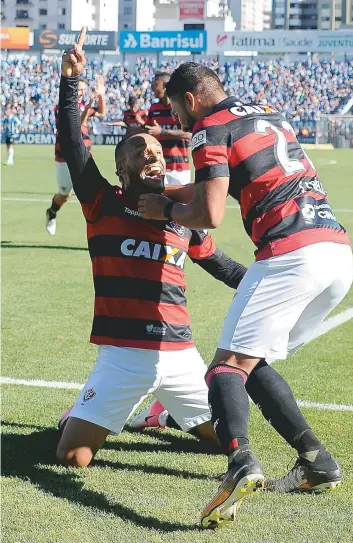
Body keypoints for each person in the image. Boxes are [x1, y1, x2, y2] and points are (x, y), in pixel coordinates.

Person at [138, 62, 353, 529]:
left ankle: (239, 461)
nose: (176, 120)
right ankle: (316, 463)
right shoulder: (267, 112)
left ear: (190, 99)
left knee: (224, 368)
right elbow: (222, 183)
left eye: (176, 109)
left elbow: (209, 213)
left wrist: (164, 207)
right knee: (250, 363)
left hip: (290, 253)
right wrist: (166, 187)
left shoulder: (208, 126)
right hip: (336, 252)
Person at [55, 33, 247, 509]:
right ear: (120, 169)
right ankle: (83, 414)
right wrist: (70, 84)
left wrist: (270, 282)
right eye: (140, 152)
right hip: (123, 356)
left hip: (181, 356)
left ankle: (161, 414)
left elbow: (221, 265)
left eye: (158, 153)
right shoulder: (103, 203)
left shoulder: (181, 215)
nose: (153, 156)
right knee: (72, 457)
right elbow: (74, 144)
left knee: (222, 443)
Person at [45, 75, 106, 236]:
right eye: (78, 89)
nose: (80, 93)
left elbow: (102, 112)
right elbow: (78, 123)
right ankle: (51, 212)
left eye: (83, 90)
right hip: (64, 155)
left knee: (92, 193)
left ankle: (99, 230)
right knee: (64, 194)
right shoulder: (62, 107)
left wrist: (101, 95)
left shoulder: (84, 105)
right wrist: (91, 103)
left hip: (84, 154)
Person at [144, 71, 191, 185]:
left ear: (165, 86)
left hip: (179, 168)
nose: (152, 88)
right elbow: (148, 131)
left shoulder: (181, 106)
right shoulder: (154, 108)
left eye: (155, 84)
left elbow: (189, 133)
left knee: (180, 203)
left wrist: (163, 132)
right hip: (158, 166)